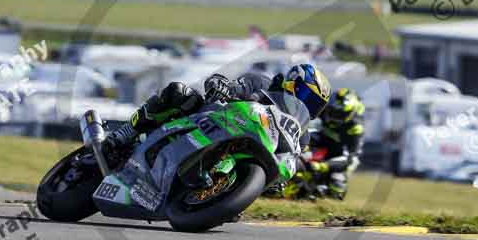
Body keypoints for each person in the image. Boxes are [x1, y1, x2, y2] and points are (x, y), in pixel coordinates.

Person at [102, 64, 331, 170]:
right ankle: (125, 133)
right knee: (179, 93)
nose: (306, 105)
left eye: (314, 104)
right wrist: (222, 86)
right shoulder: (261, 83)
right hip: (211, 121)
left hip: (240, 153)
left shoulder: (301, 136)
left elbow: (290, 162)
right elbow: (229, 84)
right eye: (305, 95)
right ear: (292, 82)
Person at [306, 87, 365, 200]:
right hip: (322, 140)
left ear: (350, 114)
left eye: (339, 115)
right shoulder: (325, 108)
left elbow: (351, 159)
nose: (333, 116)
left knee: (337, 186)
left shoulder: (356, 127)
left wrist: (324, 166)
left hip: (340, 155)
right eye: (331, 111)